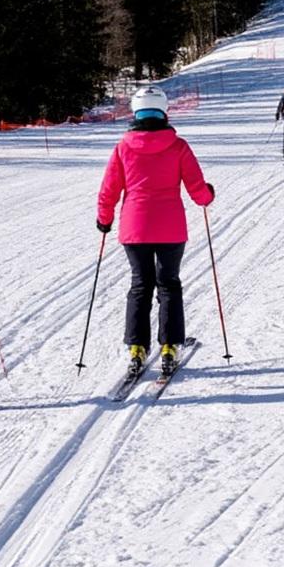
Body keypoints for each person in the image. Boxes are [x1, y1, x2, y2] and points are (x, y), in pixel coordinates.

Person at [97, 86, 214, 377]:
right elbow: (197, 189)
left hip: (134, 228)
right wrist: (207, 196)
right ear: (163, 111)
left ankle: (137, 347)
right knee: (168, 284)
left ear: (136, 112)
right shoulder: (178, 146)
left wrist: (104, 218)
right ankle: (169, 345)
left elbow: (109, 189)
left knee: (140, 285)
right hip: (171, 228)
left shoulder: (123, 147)